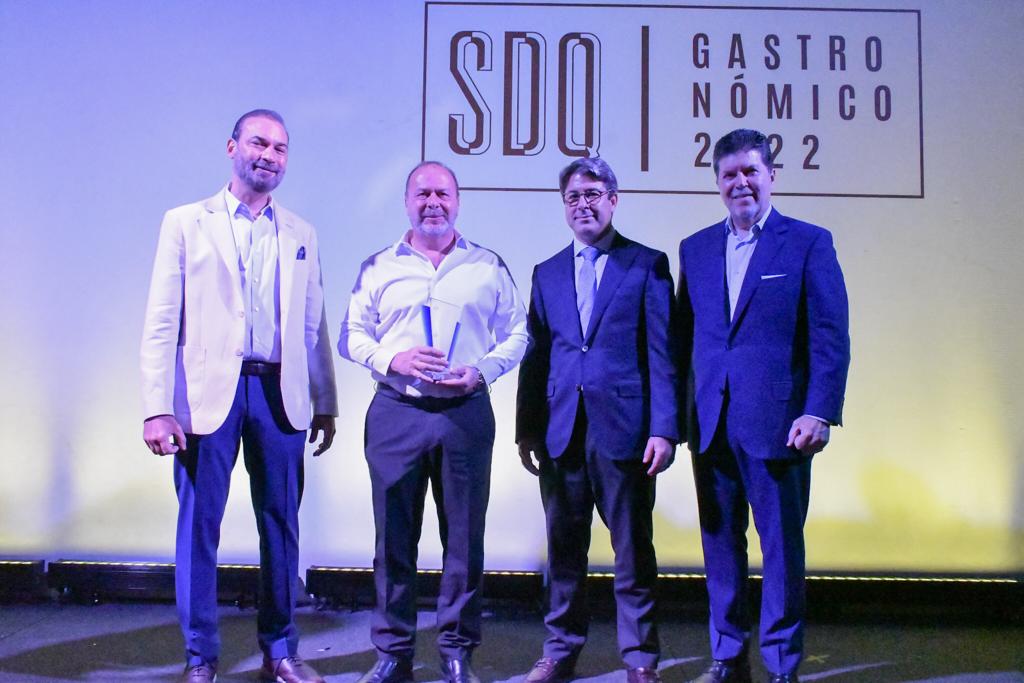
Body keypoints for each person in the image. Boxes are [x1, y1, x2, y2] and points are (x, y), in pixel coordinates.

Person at [140, 109, 338, 683]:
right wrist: (157, 407)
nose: (269, 155)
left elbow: (312, 324)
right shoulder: (185, 222)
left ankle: (281, 651)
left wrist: (325, 399)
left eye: (280, 148)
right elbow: (162, 320)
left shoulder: (300, 232)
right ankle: (200, 656)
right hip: (207, 399)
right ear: (232, 148)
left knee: (281, 527)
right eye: (258, 143)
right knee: (199, 527)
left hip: (279, 394)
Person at [338, 161, 528, 683]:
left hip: (464, 413)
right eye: (422, 194)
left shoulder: (487, 265)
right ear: (407, 202)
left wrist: (483, 370)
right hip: (396, 413)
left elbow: (518, 333)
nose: (433, 203)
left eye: (443, 194)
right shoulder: (378, 266)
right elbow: (351, 335)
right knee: (393, 540)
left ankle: (456, 649)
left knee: (464, 539)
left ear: (458, 201)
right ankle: (393, 651)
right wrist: (393, 360)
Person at [676, 129, 850, 683]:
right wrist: (676, 421)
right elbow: (685, 340)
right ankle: (727, 653)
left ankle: (781, 662)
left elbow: (829, 335)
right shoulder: (695, 248)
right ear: (717, 183)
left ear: (772, 175)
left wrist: (819, 410)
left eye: (751, 171)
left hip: (780, 423)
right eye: (729, 174)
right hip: (711, 423)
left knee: (781, 550)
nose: (741, 182)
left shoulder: (808, 242)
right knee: (719, 545)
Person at [516, 157, 680, 683]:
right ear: (563, 206)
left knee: (632, 551)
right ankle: (560, 649)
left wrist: (664, 428)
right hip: (561, 432)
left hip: (626, 432)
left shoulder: (646, 265)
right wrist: (526, 428)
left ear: (613, 199)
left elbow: (662, 353)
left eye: (592, 194)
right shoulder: (546, 272)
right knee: (564, 551)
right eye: (573, 197)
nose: (582, 204)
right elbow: (536, 356)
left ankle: (640, 658)